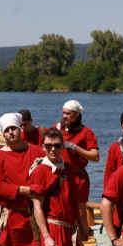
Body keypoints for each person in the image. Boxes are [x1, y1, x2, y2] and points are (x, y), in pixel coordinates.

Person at [30, 127, 84, 246]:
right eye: (49, 146)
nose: (53, 149)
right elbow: (37, 206)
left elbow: (74, 202)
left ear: (63, 147)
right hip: (52, 226)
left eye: (57, 146)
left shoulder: (67, 170)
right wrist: (46, 237)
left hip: (68, 228)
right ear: (43, 147)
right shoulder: (40, 171)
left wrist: (82, 228)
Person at [0, 112, 44, 246]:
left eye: (13, 129)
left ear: (20, 129)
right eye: (7, 130)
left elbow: (48, 174)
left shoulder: (36, 151)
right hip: (14, 213)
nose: (11, 133)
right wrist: (23, 190)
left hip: (37, 211)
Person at [54, 100, 99, 238]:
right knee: (60, 208)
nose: (65, 116)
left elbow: (95, 156)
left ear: (77, 115)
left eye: (68, 114)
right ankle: (64, 236)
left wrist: (75, 147)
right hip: (60, 176)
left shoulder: (86, 132)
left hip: (78, 177)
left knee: (80, 210)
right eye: (63, 113)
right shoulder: (57, 129)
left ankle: (84, 239)